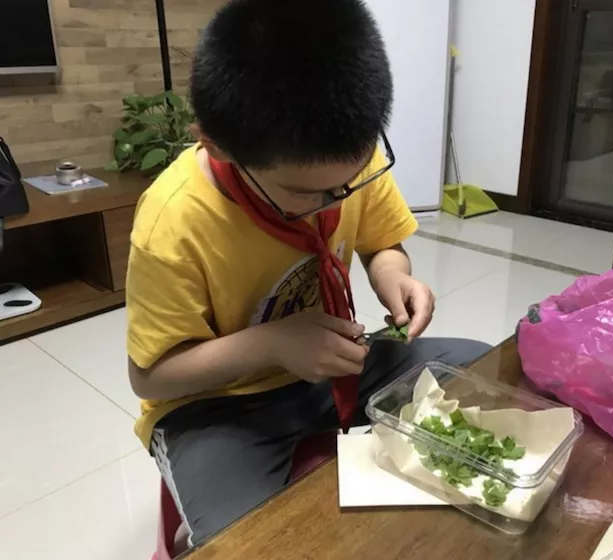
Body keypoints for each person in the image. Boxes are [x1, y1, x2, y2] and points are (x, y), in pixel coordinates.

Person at [126, 0, 489, 547]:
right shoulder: (172, 220)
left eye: (350, 182)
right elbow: (151, 377)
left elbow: (382, 244)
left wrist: (393, 276)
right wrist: (274, 344)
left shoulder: (342, 158)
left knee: (486, 371)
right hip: (216, 406)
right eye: (306, 194)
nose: (334, 202)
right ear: (219, 146)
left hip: (333, 364)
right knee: (250, 543)